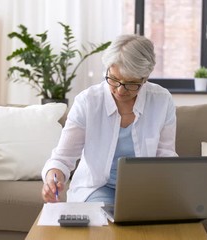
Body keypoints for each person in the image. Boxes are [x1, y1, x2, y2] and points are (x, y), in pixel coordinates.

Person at [41, 34, 178, 204]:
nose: (120, 90)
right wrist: (52, 178)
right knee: (106, 215)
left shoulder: (162, 100)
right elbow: (62, 158)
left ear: (145, 78)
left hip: (144, 189)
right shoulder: (88, 102)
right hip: (98, 188)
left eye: (130, 83)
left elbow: (165, 156)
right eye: (113, 79)